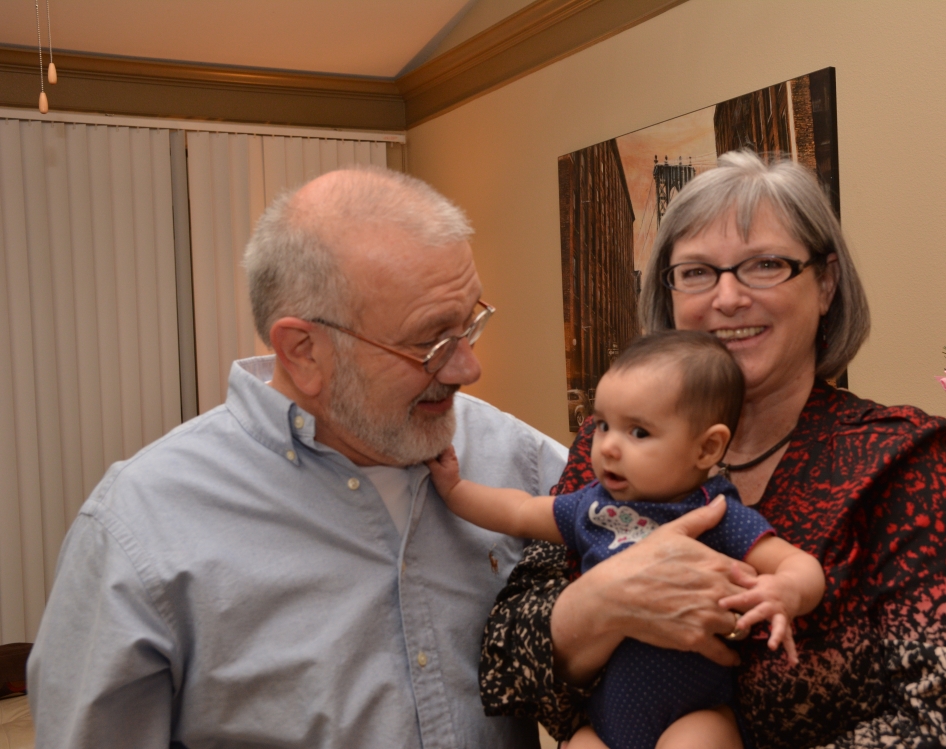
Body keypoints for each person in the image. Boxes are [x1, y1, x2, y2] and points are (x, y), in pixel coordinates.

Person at [478, 150, 946, 748]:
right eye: (697, 272)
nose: (727, 298)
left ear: (825, 284)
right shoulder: (610, 443)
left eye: (765, 265)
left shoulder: (898, 462)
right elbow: (507, 663)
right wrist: (604, 601)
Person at [28, 167, 568, 748]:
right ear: (303, 350)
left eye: (468, 325)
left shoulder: (515, 458)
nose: (467, 368)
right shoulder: (139, 530)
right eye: (431, 342)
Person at [428, 330, 825, 749]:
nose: (609, 447)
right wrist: (456, 491)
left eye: (638, 432)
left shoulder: (716, 513)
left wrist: (785, 591)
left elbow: (799, 565)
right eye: (603, 425)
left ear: (707, 448)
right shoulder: (592, 507)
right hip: (604, 723)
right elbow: (520, 511)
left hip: (693, 715)